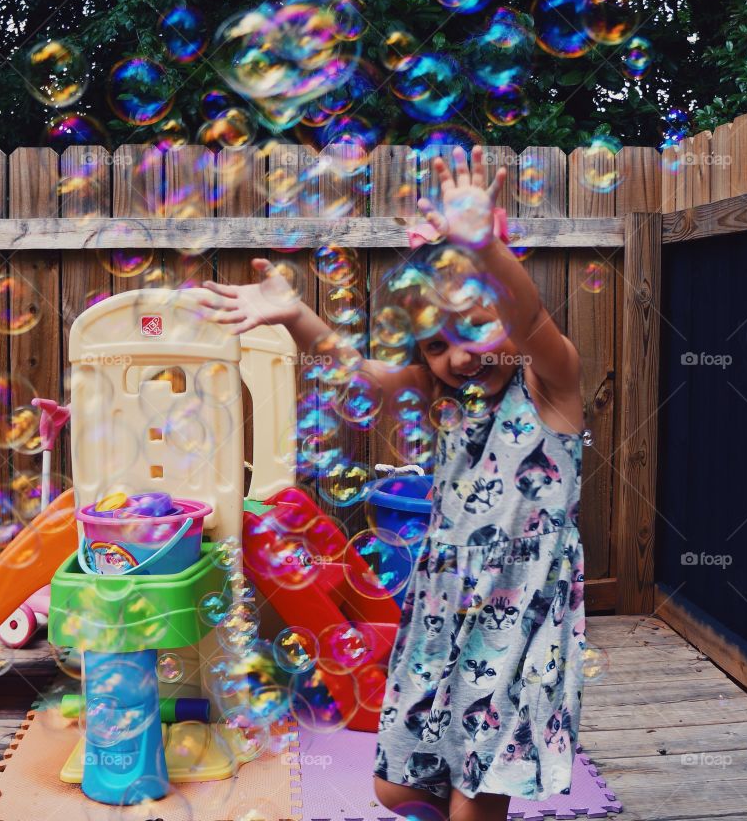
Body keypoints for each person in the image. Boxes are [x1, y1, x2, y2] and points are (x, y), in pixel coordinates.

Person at [198, 145, 587, 821]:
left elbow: (531, 320)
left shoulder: (550, 387)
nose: (461, 356)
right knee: (397, 789)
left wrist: (486, 251)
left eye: (474, 327)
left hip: (520, 623)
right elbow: (365, 376)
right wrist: (295, 316)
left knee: (473, 796)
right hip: (441, 614)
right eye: (436, 345)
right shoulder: (447, 400)